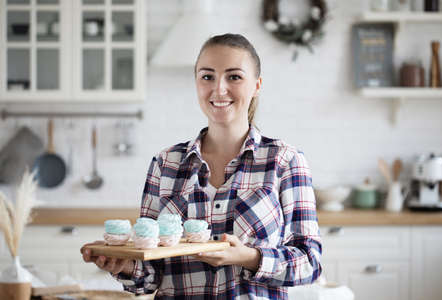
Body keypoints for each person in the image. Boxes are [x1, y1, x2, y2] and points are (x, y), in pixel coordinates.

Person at [81, 33, 322, 299]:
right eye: (207, 76)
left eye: (234, 77)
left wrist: (249, 257)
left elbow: (310, 263)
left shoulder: (285, 161)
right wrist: (124, 265)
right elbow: (149, 276)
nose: (219, 89)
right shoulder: (166, 163)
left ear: (257, 85)